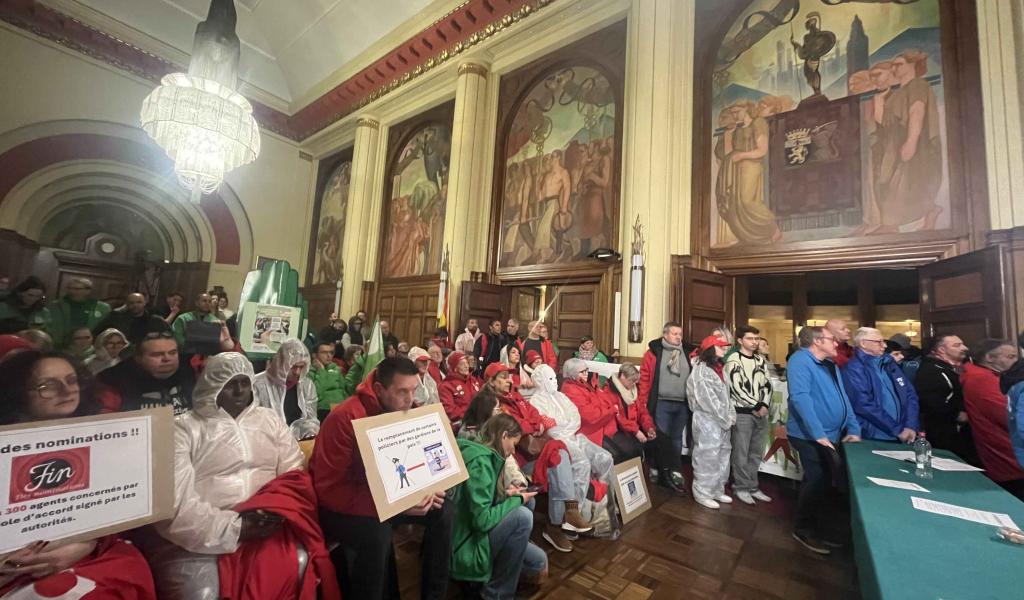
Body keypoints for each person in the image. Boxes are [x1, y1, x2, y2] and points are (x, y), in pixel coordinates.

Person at [147, 352, 336, 599]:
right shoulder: (184, 429)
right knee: (202, 592)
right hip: (197, 537)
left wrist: (276, 512)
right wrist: (234, 528)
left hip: (267, 524)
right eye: (229, 384)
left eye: (244, 383)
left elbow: (293, 475)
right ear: (212, 386)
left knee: (299, 562)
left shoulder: (269, 421)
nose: (239, 391)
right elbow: (174, 505)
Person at [0, 350, 156, 598]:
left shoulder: (103, 436)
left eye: (72, 381)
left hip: (91, 554)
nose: (66, 390)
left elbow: (114, 510)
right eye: (48, 386)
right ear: (18, 393)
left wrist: (84, 545)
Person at [310, 357, 454, 600]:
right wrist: (397, 502)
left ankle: (434, 595)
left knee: (444, 509)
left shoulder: (406, 410)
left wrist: (430, 486)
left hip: (390, 496)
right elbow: (330, 490)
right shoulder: (345, 418)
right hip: (345, 504)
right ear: (379, 390)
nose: (411, 400)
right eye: (402, 392)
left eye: (414, 390)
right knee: (377, 534)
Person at [451, 414, 547, 597]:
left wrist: (508, 495)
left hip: (471, 533)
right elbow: (482, 521)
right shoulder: (481, 463)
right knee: (523, 515)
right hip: (466, 543)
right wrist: (516, 500)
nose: (513, 451)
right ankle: (495, 593)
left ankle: (489, 578)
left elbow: (483, 501)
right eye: (514, 444)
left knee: (538, 561)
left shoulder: (486, 454)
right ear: (503, 436)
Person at [786, 326, 861, 555]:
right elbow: (801, 398)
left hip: (831, 434)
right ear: (817, 341)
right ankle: (803, 528)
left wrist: (854, 426)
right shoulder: (800, 361)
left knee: (824, 480)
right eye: (831, 340)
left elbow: (843, 397)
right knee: (817, 478)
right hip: (808, 435)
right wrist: (818, 434)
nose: (837, 344)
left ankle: (818, 527)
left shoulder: (830, 364)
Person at [962, 340, 1024, 499]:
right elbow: (1009, 416)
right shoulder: (982, 379)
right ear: (989, 357)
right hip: (1011, 461)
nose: (1016, 361)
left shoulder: (991, 376)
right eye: (1010, 356)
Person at [638, 321, 695, 493]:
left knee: (676, 439)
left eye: (680, 334)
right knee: (660, 437)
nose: (678, 337)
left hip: (682, 404)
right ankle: (656, 467)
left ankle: (675, 470)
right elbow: (645, 378)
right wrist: (642, 401)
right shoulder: (653, 353)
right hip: (661, 402)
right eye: (674, 333)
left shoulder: (688, 352)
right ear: (665, 334)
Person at [842, 327, 920, 443]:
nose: (884, 345)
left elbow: (909, 394)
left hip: (904, 433)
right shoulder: (854, 368)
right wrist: (897, 430)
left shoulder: (889, 363)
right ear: (863, 344)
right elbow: (863, 404)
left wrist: (910, 425)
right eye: (879, 342)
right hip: (876, 435)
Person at [724, 326, 774, 505]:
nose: (754, 342)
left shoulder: (760, 360)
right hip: (743, 414)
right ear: (740, 340)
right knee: (741, 452)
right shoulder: (733, 360)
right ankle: (741, 487)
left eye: (756, 338)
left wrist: (765, 404)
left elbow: (767, 385)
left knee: (756, 452)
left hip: (761, 413)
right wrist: (756, 404)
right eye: (750, 338)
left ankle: (753, 486)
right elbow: (736, 388)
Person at [688, 335, 736, 509]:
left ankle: (716, 489)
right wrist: (725, 417)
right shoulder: (701, 371)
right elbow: (707, 399)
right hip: (707, 420)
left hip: (721, 421)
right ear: (710, 348)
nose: (724, 349)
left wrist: (729, 415)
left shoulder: (718, 367)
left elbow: (726, 396)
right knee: (707, 456)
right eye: (720, 346)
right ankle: (702, 492)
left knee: (722, 454)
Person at [97, 331, 195, 414]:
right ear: (138, 358)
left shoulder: (189, 369)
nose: (167, 359)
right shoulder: (112, 380)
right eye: (157, 355)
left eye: (172, 353)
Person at [914, 334, 976, 462]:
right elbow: (932, 402)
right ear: (941, 350)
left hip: (954, 431)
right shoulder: (931, 371)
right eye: (957, 345)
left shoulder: (953, 368)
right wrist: (957, 414)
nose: (964, 348)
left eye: (962, 344)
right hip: (941, 433)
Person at [252, 339, 320, 440]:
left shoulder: (307, 386)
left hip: (299, 443)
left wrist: (309, 434)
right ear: (281, 362)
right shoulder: (257, 384)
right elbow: (253, 423)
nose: (297, 372)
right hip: (266, 442)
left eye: (301, 367)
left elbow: (311, 419)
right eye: (293, 366)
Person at [602, 363, 655, 462]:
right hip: (617, 431)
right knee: (632, 451)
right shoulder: (609, 390)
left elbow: (642, 411)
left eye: (636, 381)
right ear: (622, 376)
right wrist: (636, 431)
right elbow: (617, 417)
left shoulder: (634, 390)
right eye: (632, 381)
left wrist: (649, 427)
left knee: (655, 442)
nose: (634, 384)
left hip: (631, 429)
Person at [561, 358, 615, 447]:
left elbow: (605, 402)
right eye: (582, 372)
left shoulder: (586, 384)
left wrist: (610, 409)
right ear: (572, 374)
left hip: (603, 426)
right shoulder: (571, 390)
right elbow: (590, 416)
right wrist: (611, 411)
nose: (586, 373)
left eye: (586, 370)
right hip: (590, 432)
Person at [48, 277, 111, 349]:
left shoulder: (102, 308)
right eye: (70, 288)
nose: (72, 291)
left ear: (88, 290)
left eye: (77, 289)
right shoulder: (56, 305)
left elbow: (106, 330)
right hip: (62, 346)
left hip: (92, 348)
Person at [94, 292, 171, 345]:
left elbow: (168, 336)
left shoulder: (156, 320)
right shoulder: (116, 318)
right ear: (127, 304)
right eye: (131, 303)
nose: (135, 305)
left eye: (139, 302)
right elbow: (97, 333)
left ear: (144, 303)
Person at [309, 342, 354, 421]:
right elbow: (316, 394)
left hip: (341, 407)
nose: (329, 356)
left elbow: (344, 390)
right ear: (314, 355)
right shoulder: (309, 372)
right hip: (323, 409)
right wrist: (321, 370)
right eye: (324, 352)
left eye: (331, 352)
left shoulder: (336, 369)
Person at [439, 351, 483, 425]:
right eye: (462, 364)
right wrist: (469, 416)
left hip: (479, 420)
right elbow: (449, 410)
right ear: (455, 368)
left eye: (467, 363)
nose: (466, 366)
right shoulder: (446, 386)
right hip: (461, 424)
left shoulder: (473, 380)